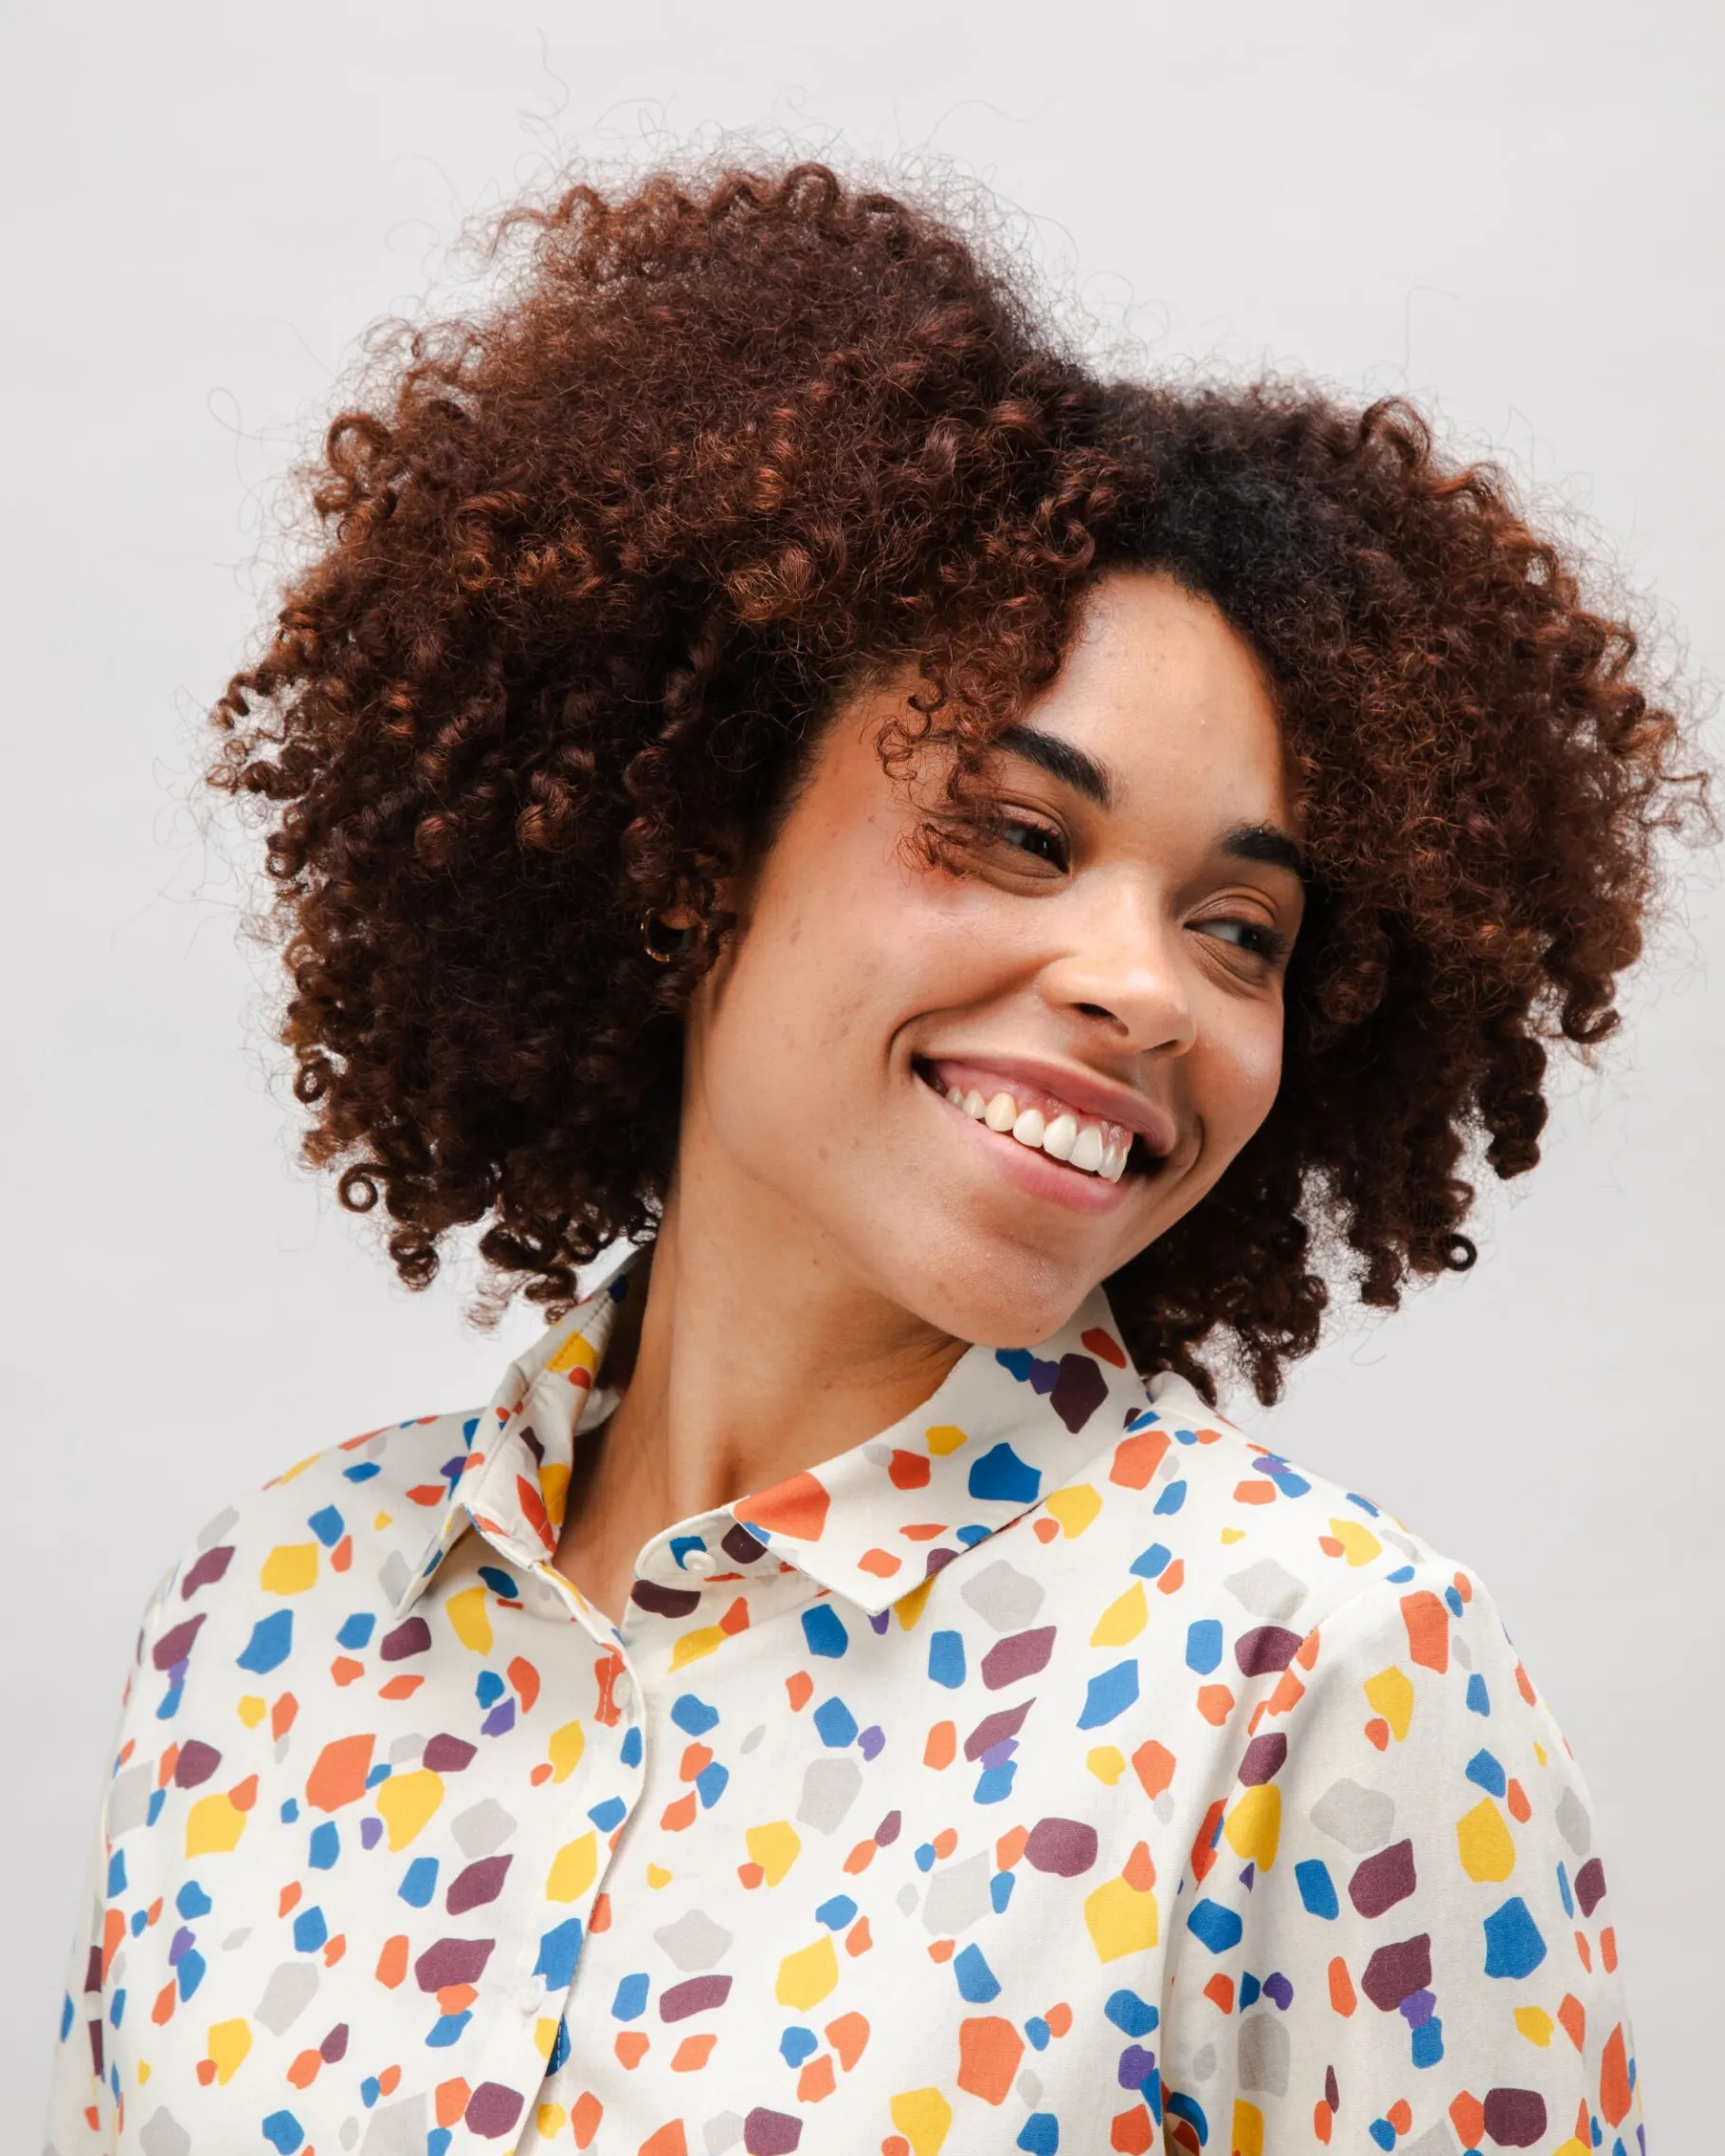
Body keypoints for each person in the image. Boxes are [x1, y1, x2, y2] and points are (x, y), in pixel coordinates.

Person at [45, 161, 1697, 2156]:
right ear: (694, 841)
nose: (1142, 989)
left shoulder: (1318, 1675)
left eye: (1239, 929)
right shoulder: (263, 1613)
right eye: (1021, 832)